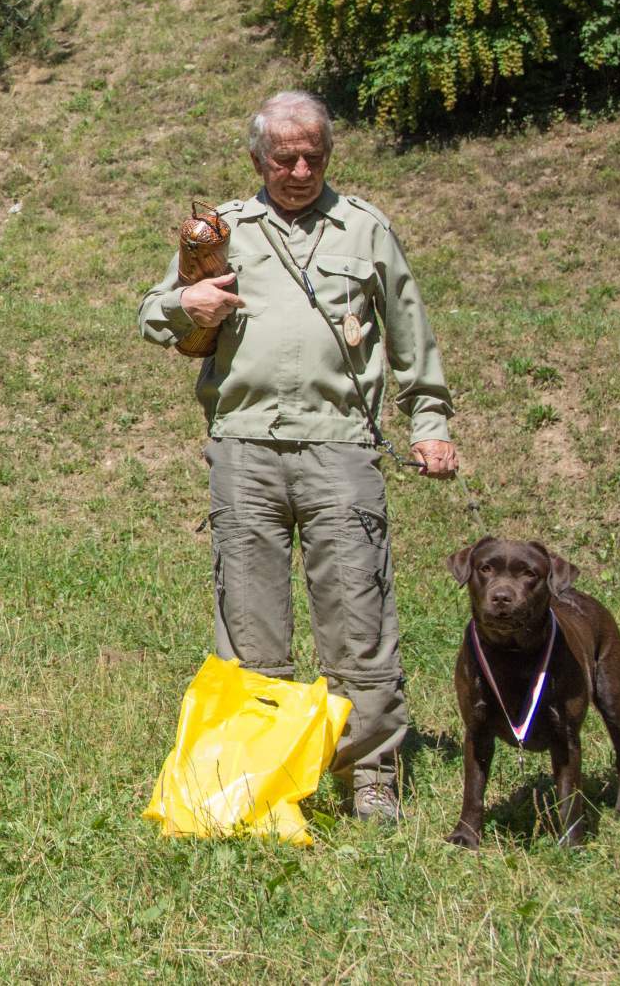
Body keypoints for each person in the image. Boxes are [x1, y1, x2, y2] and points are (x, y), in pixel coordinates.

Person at [138, 90, 457, 821]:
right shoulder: (219, 231)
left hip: (341, 445)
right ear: (258, 159)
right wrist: (193, 306)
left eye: (314, 154)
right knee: (249, 626)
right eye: (285, 157)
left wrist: (429, 420)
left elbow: (409, 330)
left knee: (358, 613)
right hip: (244, 445)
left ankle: (370, 772)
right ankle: (260, 773)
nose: (301, 168)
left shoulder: (365, 228)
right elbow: (153, 312)